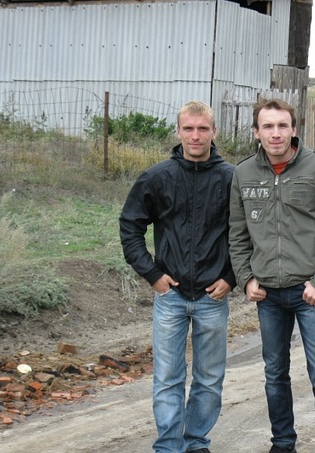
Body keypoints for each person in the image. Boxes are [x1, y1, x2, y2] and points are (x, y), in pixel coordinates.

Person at [228, 98, 315, 453]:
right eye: (268, 126)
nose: (276, 133)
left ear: (294, 130)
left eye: (282, 125)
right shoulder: (243, 174)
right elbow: (237, 234)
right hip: (267, 295)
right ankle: (283, 444)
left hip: (308, 293)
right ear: (256, 132)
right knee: (274, 374)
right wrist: (246, 278)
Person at [119, 100, 235, 453]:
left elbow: (248, 234)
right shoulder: (157, 177)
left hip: (213, 296)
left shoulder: (232, 179)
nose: (195, 136)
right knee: (167, 378)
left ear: (214, 132)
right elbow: (130, 226)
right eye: (189, 128)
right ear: (178, 131)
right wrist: (153, 274)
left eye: (202, 129)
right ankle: (169, 447)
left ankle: (196, 442)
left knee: (209, 379)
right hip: (170, 296)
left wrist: (231, 277)